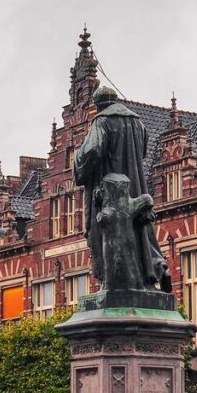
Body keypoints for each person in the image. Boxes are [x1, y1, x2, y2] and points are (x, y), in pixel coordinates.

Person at [73, 85, 172, 292]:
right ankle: (156, 269)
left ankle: (111, 283)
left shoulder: (102, 121)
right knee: (140, 229)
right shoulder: (138, 123)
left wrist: (77, 157)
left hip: (109, 189)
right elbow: (144, 150)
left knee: (106, 232)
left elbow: (93, 150)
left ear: (99, 105)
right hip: (135, 184)